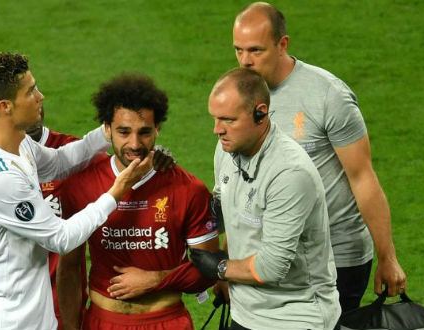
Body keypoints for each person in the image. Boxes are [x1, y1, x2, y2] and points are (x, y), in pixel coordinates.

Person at [0, 53, 154, 330]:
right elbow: (60, 238)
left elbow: (59, 162)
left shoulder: (13, 143)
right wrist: (116, 192)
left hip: (29, 316)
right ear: (5, 107)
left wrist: (109, 131)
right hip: (4, 321)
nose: (41, 96)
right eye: (31, 91)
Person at [231, 2, 406, 311]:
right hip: (268, 257)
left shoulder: (326, 95)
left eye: (256, 51)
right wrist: (230, 260)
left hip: (335, 260)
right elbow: (237, 185)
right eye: (238, 50)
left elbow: (362, 177)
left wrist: (387, 257)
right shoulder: (237, 98)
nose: (245, 62)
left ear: (282, 44)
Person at [57, 73, 220, 330]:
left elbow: (210, 270)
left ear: (157, 129)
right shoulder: (81, 186)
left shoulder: (189, 189)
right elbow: (67, 271)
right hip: (103, 322)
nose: (134, 143)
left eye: (144, 132)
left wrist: (156, 279)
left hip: (166, 322)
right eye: (123, 131)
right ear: (107, 129)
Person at [193, 67, 340, 329]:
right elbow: (225, 209)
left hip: (294, 318)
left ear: (260, 113)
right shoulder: (227, 149)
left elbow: (271, 267)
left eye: (228, 120)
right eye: (215, 118)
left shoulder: (289, 173)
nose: (217, 130)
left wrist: (220, 268)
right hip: (245, 313)